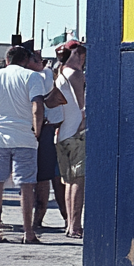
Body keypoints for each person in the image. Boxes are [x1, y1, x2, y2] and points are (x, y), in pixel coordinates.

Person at [0, 44, 46, 244]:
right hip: (24, 136)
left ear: (7, 60)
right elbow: (37, 105)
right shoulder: (32, 77)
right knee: (26, 185)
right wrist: (37, 130)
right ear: (25, 60)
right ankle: (28, 233)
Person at [26, 49, 68, 230]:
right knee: (52, 177)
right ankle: (66, 219)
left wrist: (37, 130)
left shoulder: (43, 75)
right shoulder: (46, 74)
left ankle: (40, 218)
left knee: (45, 177)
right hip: (49, 129)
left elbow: (38, 106)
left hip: (45, 129)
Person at [55, 42, 86, 238]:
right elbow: (82, 105)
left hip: (63, 133)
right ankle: (75, 225)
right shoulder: (75, 74)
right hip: (77, 133)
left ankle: (69, 224)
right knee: (78, 181)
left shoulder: (60, 74)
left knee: (68, 181)